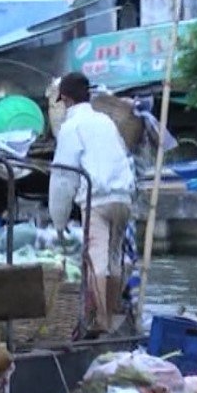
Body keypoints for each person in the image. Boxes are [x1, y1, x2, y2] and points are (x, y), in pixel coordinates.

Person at [48, 71, 138, 333]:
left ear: (64, 98)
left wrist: (59, 220)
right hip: (122, 197)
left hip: (96, 199)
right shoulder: (105, 121)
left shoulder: (71, 126)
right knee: (114, 258)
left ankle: (101, 320)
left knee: (96, 259)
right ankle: (111, 315)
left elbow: (64, 176)